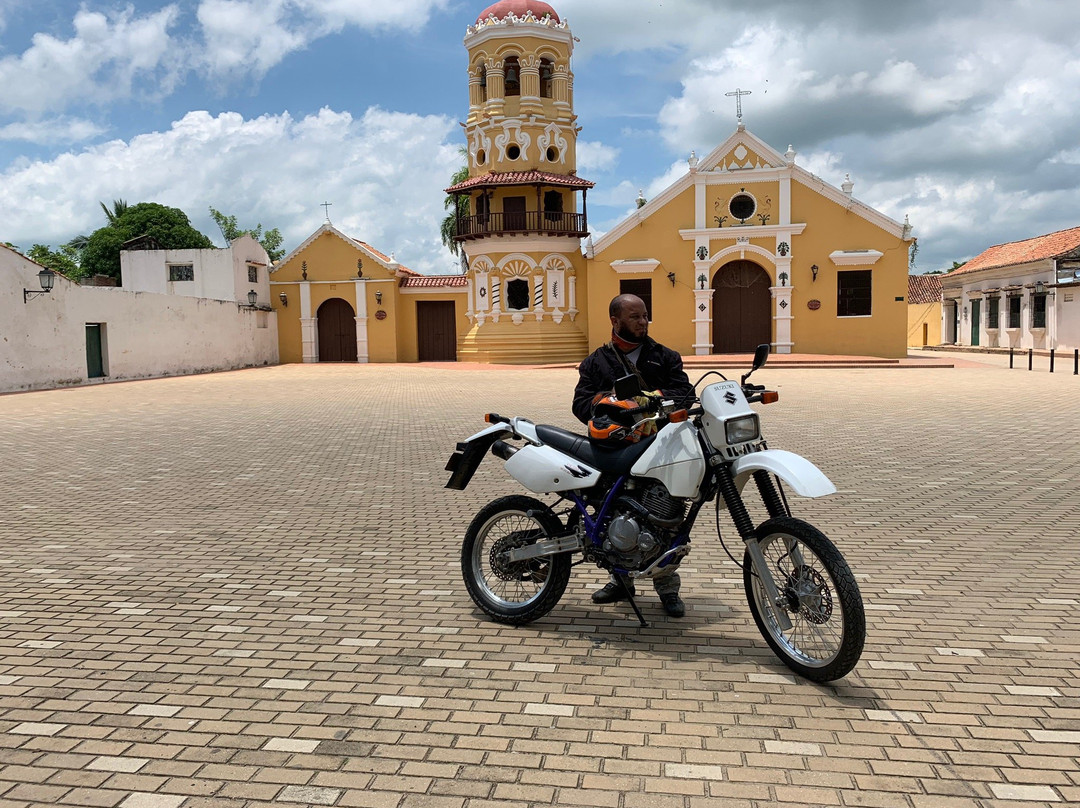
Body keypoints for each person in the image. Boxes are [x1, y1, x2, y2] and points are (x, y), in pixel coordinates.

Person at [572, 293, 694, 617]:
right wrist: (613, 403)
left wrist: (651, 399)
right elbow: (580, 404)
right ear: (615, 320)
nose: (643, 322)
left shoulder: (664, 356)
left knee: (665, 518)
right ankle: (619, 580)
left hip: (662, 450)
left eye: (645, 317)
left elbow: (685, 392)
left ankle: (668, 587)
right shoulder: (597, 361)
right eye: (635, 317)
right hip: (616, 450)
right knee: (615, 512)